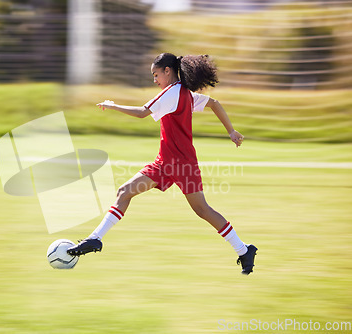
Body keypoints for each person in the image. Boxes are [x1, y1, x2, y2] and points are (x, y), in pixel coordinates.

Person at [67, 53, 257, 275]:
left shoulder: (171, 92)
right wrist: (231, 131)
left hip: (178, 164)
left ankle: (244, 249)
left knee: (201, 209)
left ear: (168, 71)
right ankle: (95, 239)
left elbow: (141, 113)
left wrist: (113, 105)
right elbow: (214, 103)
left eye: (156, 74)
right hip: (169, 164)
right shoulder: (185, 94)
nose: (154, 80)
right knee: (125, 192)